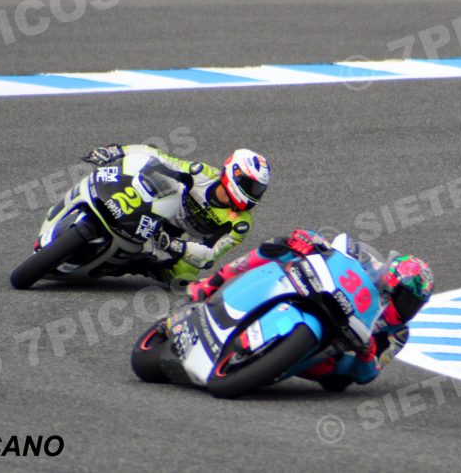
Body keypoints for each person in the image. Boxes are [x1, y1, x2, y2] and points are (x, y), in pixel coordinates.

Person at [187, 229, 434, 391]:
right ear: (391, 283)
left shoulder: (398, 334)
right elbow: (342, 253)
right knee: (279, 246)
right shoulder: (374, 271)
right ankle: (211, 284)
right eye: (406, 298)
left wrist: (367, 353)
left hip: (340, 350)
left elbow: (368, 375)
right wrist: (312, 241)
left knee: (341, 373)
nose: (407, 307)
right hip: (326, 296)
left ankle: (270, 363)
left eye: (414, 303)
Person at [84, 143, 270, 285]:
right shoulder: (201, 174)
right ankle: (101, 200)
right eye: (250, 186)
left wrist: (174, 245)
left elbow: (210, 255)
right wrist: (117, 150)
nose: (254, 194)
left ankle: (126, 266)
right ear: (234, 173)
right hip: (163, 209)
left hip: (182, 240)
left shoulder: (240, 223)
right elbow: (161, 159)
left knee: (183, 277)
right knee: (150, 174)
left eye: (258, 190)